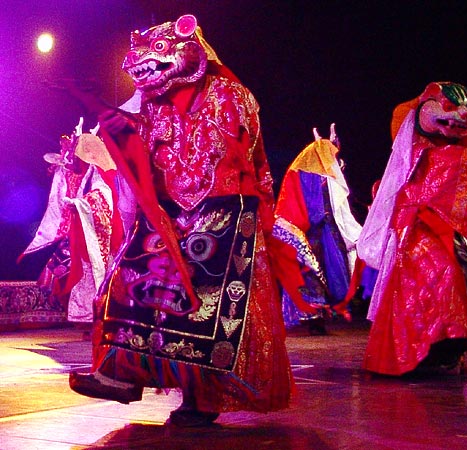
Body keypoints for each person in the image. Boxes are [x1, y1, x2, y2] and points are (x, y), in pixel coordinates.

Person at [68, 14, 295, 426]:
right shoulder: (152, 101)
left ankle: (201, 398)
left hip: (224, 213)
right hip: (168, 212)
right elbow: (135, 143)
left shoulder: (230, 93)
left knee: (205, 310)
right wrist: (99, 108)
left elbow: (246, 156)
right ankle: (121, 374)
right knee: (130, 284)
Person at [357, 81, 467, 376]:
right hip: (417, 224)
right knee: (441, 275)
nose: (459, 118)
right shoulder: (418, 144)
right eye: (450, 108)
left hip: (442, 223)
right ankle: (420, 352)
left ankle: (451, 347)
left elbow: (464, 172)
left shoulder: (448, 151)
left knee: (458, 272)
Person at [19, 118, 122, 338]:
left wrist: (82, 204)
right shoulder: (83, 173)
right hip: (82, 233)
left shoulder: (102, 174)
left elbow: (103, 197)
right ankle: (89, 323)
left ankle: (100, 323)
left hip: (98, 239)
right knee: (73, 275)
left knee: (94, 278)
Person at [273, 124, 362, 334]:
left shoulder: (328, 176)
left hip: (328, 232)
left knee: (332, 273)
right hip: (312, 233)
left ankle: (324, 314)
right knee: (311, 273)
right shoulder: (306, 175)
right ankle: (313, 318)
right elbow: (309, 208)